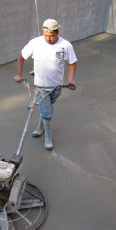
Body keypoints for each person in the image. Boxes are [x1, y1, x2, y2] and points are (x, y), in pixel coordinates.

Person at [13, 19, 77, 150]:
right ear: (43, 32)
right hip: (41, 85)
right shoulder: (35, 43)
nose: (48, 38)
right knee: (47, 112)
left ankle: (40, 128)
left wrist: (71, 79)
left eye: (52, 36)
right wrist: (19, 74)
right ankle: (48, 137)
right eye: (46, 35)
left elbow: (72, 62)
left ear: (57, 32)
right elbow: (21, 56)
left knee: (47, 108)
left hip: (57, 86)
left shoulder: (65, 45)